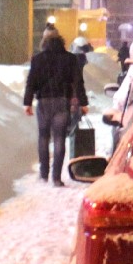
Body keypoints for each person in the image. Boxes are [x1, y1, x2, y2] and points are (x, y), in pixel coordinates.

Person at [23, 27, 87, 186]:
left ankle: (44, 173)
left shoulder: (37, 59)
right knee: (59, 138)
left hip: (44, 102)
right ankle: (56, 177)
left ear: (44, 42)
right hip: (61, 102)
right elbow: (78, 82)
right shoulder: (70, 59)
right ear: (60, 40)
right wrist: (83, 103)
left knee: (43, 137)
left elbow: (31, 82)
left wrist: (27, 102)